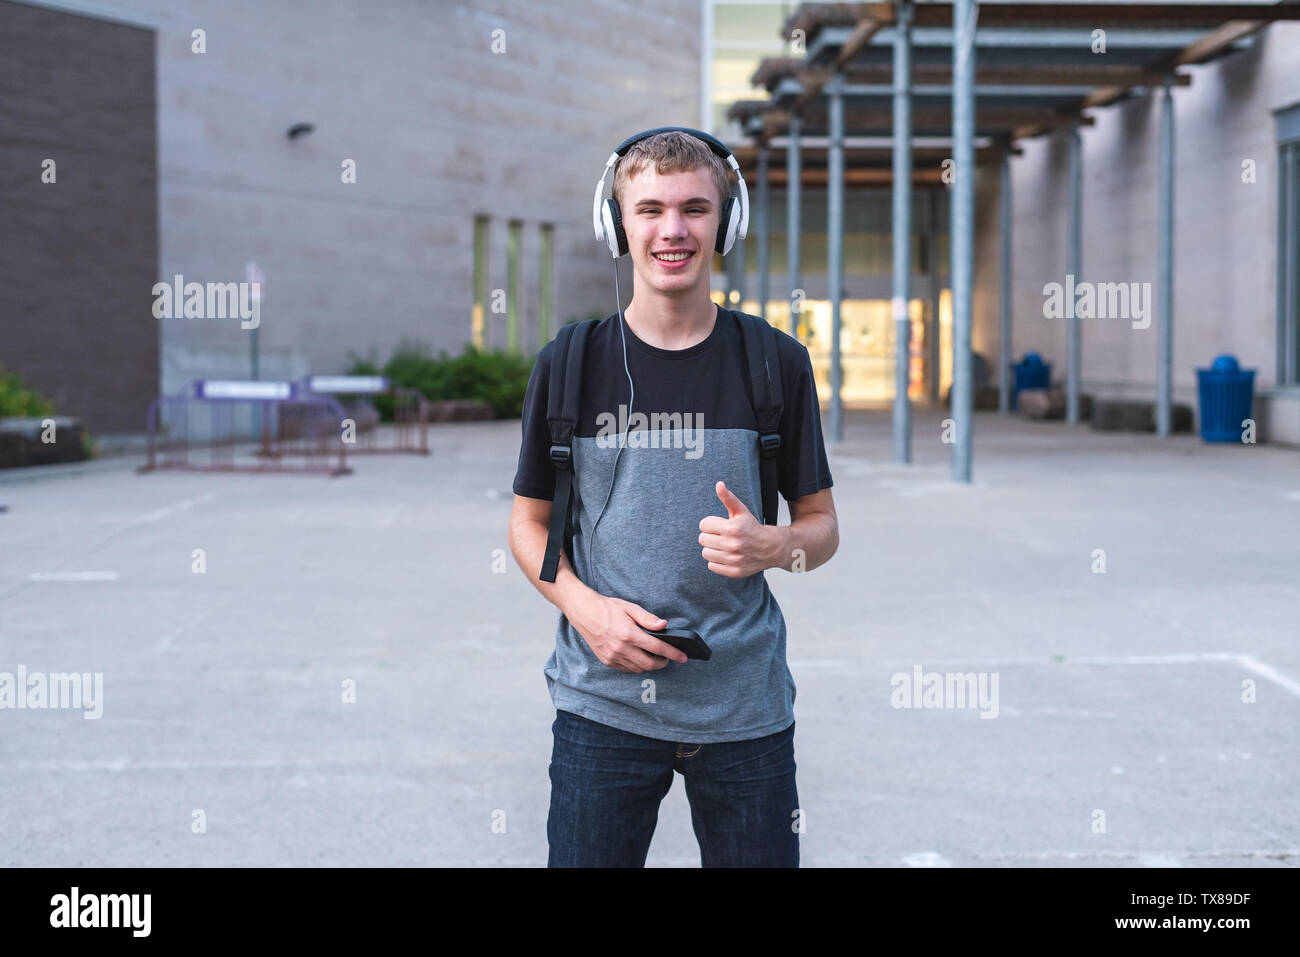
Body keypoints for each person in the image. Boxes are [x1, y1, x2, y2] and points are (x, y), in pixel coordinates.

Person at [507, 129, 838, 867]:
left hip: (744, 709)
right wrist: (589, 613)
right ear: (616, 223)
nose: (672, 229)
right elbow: (528, 526)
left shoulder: (774, 362)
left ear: (727, 220)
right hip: (603, 703)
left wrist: (776, 546)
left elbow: (822, 527)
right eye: (649, 208)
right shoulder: (569, 363)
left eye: (694, 208)